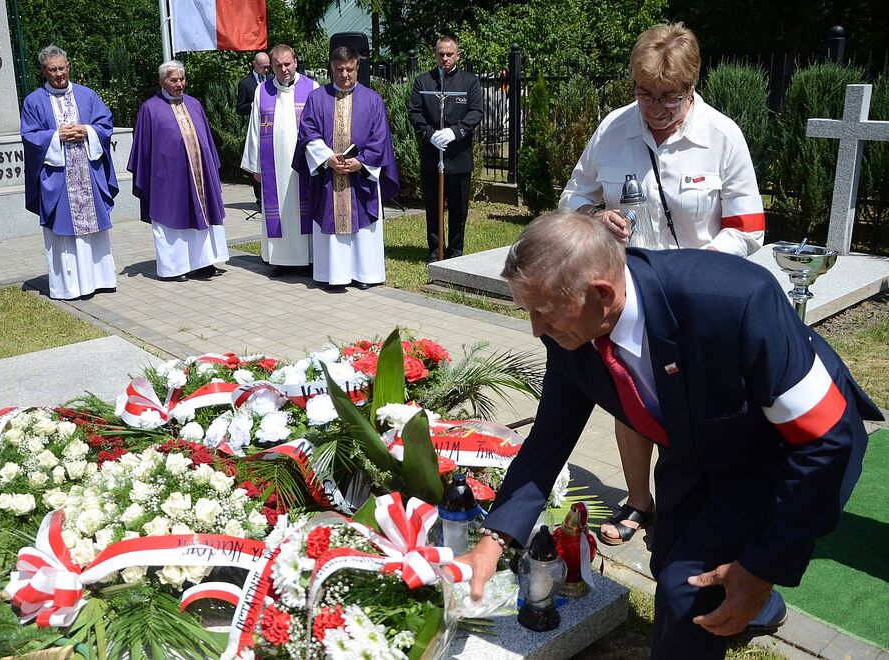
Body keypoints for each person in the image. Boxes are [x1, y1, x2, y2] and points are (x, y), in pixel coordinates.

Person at [461, 210, 880, 659]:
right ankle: (759, 609)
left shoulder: (733, 299)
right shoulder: (572, 331)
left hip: (783, 449)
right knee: (666, 558)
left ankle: (740, 601)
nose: (535, 329)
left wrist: (760, 570)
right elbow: (549, 439)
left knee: (685, 593)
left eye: (543, 312)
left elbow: (824, 440)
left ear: (601, 294)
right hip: (699, 441)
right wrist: (492, 543)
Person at [558, 23, 766, 548]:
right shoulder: (612, 129)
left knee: (697, 409)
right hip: (625, 299)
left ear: (692, 88)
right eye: (644, 95)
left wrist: (697, 274)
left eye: (668, 99)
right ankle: (639, 501)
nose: (654, 110)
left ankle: (695, 503)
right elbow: (571, 200)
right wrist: (595, 218)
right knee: (630, 401)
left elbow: (749, 227)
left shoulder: (723, 136)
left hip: (697, 303)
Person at [292, 46, 399, 290]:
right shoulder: (317, 98)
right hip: (329, 175)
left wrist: (361, 162)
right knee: (330, 220)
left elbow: (380, 137)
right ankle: (334, 274)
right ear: (332, 68)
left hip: (361, 177)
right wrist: (327, 158)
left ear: (357, 68)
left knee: (363, 227)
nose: (345, 75)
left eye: (349, 69)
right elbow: (308, 133)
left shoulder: (372, 99)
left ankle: (365, 274)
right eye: (339, 69)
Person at [21, 45, 118, 300]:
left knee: (95, 228)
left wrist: (87, 131)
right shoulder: (34, 101)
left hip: (88, 172)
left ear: (69, 66)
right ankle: (70, 286)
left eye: (62, 68)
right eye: (52, 70)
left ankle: (101, 279)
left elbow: (105, 124)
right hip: (58, 177)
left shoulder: (87, 95)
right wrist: (56, 136)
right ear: (44, 71)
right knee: (63, 231)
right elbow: (29, 136)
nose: (58, 74)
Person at [127, 60, 228, 282]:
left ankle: (204, 262)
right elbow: (143, 148)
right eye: (174, 80)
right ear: (162, 81)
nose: (179, 84)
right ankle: (176, 267)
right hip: (168, 179)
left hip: (200, 175)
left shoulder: (194, 104)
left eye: (182, 79)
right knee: (172, 218)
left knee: (204, 215)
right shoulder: (149, 109)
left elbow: (207, 142)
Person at [241, 44, 318, 274]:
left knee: (303, 208)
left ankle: (309, 259)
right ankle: (280, 260)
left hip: (303, 164)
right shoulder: (262, 91)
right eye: (278, 65)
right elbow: (254, 128)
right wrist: (255, 165)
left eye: (288, 64)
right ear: (271, 67)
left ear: (295, 61)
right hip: (273, 165)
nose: (284, 69)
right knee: (278, 212)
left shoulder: (311, 88)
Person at [407, 36, 483, 261]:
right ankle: (435, 251)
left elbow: (476, 112)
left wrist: (455, 132)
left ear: (457, 55)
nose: (445, 58)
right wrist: (430, 135)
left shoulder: (469, 82)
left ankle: (456, 252)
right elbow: (415, 112)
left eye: (450, 54)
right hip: (432, 155)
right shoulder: (423, 82)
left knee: (459, 210)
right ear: (435, 55)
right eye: (441, 54)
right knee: (433, 207)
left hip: (459, 155)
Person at [237, 51, 271, 211]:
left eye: (268, 67)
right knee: (256, 163)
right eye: (263, 67)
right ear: (254, 64)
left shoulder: (272, 81)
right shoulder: (245, 83)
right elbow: (239, 108)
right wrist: (254, 106)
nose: (266, 70)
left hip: (270, 128)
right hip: (255, 127)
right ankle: (260, 200)